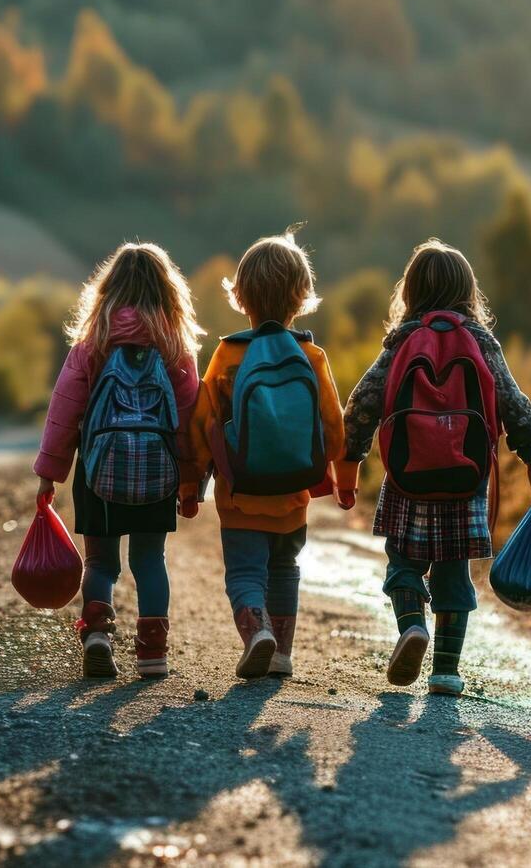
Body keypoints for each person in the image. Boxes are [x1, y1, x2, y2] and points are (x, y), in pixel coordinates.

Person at [339, 240, 531, 696]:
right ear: (469, 292)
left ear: (410, 291)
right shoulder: (480, 341)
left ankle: (412, 626)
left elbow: (361, 404)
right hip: (464, 479)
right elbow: (514, 404)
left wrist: (349, 460)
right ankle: (446, 671)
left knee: (403, 565)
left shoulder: (399, 343)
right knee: (454, 576)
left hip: (407, 479)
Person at [35, 243, 204, 679]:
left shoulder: (93, 344)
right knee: (150, 561)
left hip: (98, 472)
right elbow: (186, 423)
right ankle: (152, 653)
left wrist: (50, 474)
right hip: (157, 473)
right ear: (169, 293)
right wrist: (189, 482)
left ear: (107, 291)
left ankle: (97, 636)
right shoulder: (175, 349)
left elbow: (65, 410)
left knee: (101, 563)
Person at [189, 232, 346, 679]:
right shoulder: (310, 354)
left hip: (240, 495)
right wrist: (336, 469)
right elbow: (334, 425)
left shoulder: (228, 353)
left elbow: (203, 422)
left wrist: (189, 483)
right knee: (284, 568)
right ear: (301, 296)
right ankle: (281, 654)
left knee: (244, 574)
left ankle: (256, 631)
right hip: (292, 494)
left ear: (240, 297)